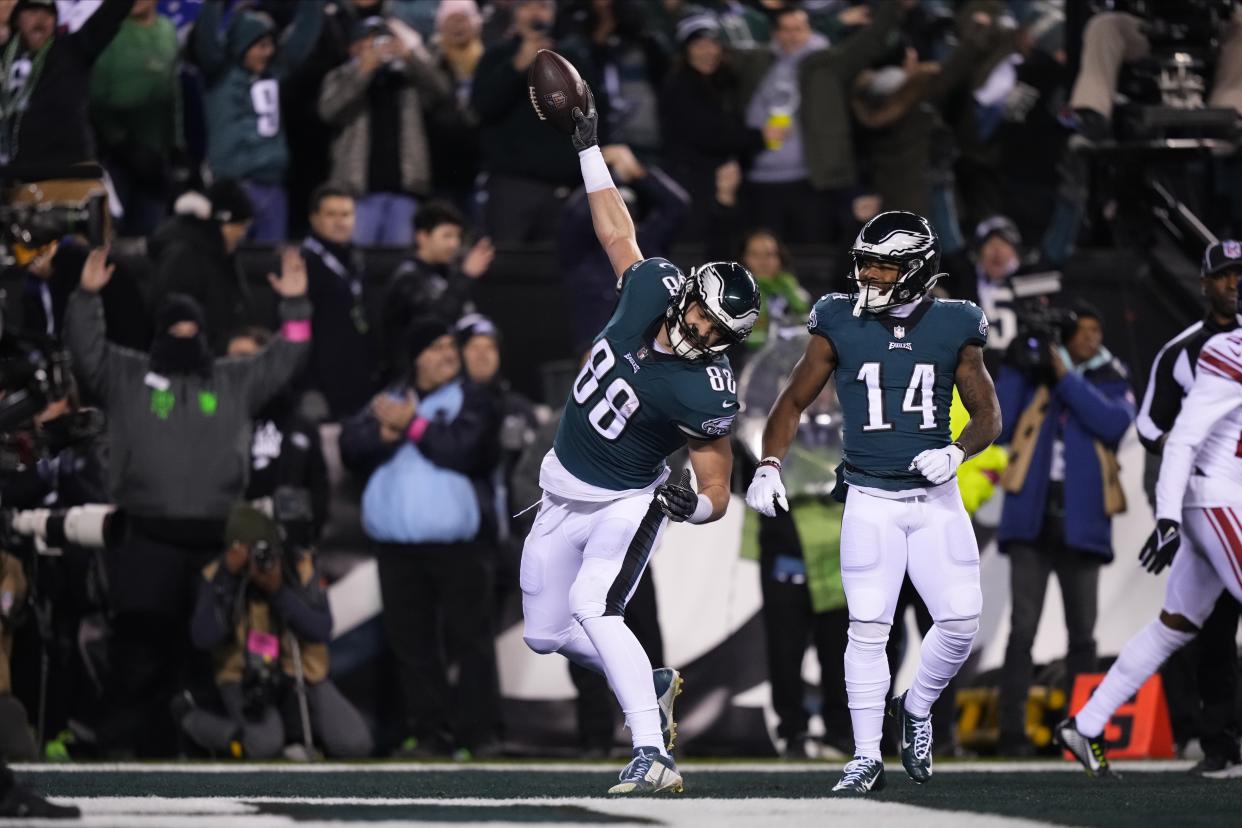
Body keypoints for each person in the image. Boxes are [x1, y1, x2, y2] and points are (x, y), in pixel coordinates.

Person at [518, 82, 761, 795]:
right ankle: (647, 678)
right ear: (686, 294)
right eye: (705, 317)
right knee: (544, 633)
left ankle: (652, 754)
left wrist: (694, 510)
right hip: (559, 487)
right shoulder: (652, 284)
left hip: (625, 502)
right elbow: (616, 231)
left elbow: (716, 488)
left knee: (595, 609)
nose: (705, 333)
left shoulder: (705, 386)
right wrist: (589, 146)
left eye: (721, 333)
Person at [746, 210, 1001, 794]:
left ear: (916, 270)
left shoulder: (957, 323)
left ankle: (916, 705)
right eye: (865, 263)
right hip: (869, 498)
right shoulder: (837, 318)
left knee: (960, 622)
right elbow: (791, 403)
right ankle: (864, 756)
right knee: (867, 628)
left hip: (935, 498)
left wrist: (959, 453)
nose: (869, 276)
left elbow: (988, 413)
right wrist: (768, 463)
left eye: (884, 266)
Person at [63, 245, 310, 756]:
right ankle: (123, 749)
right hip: (146, 540)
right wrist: (86, 297)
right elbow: (84, 351)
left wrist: (296, 305)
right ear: (158, 334)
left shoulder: (231, 378)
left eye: (192, 331)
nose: (184, 339)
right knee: (139, 653)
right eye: (175, 330)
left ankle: (206, 747)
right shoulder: (125, 374)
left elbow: (288, 355)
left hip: (214, 542)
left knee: (209, 653)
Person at [1057, 317, 1242, 779]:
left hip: (1217, 499)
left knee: (1175, 625)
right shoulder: (1224, 349)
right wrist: (1167, 517)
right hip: (1216, 497)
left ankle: (1087, 723)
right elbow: (1174, 436)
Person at [339, 316, 502, 758]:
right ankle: (431, 735)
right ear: (415, 359)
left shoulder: (473, 398)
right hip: (397, 550)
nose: (449, 353)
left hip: (459, 548)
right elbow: (349, 446)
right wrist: (383, 433)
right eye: (436, 347)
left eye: (451, 345)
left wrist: (413, 426)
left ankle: (479, 736)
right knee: (412, 647)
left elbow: (466, 449)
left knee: (470, 643)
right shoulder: (391, 398)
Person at [994, 303, 1135, 756]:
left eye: (1097, 331)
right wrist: (1018, 365)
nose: (1092, 339)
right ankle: (1010, 734)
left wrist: (1065, 378)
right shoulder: (1034, 374)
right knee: (1022, 630)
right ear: (1067, 337)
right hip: (1033, 524)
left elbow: (1114, 424)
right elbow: (1001, 425)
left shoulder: (1110, 375)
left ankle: (1081, 731)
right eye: (1084, 331)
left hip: (1082, 525)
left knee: (1083, 637)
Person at [1135, 240, 1242, 776]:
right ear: (1204, 282)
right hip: (1218, 500)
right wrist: (1191, 456)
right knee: (1215, 629)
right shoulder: (1183, 350)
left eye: (1240, 274)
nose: (1233, 283)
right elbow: (1150, 425)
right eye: (1224, 275)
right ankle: (1220, 741)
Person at [179, 503, 371, 759]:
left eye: (264, 548)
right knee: (263, 747)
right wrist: (228, 577)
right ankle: (193, 720)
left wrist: (279, 591)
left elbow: (321, 630)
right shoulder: (216, 575)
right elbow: (203, 637)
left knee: (354, 744)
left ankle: (301, 735)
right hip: (245, 676)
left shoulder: (298, 567)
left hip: (303, 671)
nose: (258, 558)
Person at [191, 0, 322, 241]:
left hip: (270, 188)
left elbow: (304, 33)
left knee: (269, 267)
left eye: (271, 45)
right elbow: (206, 37)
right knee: (227, 262)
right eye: (261, 45)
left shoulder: (274, 73)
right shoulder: (219, 74)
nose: (268, 51)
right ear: (243, 43)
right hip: (230, 187)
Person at [318, 14, 448, 246]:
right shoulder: (340, 77)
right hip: (357, 191)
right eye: (370, 42)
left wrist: (410, 56)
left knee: (396, 262)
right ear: (354, 48)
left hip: (404, 189)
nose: (377, 48)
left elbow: (441, 92)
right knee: (358, 260)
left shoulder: (407, 79)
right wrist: (363, 73)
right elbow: (329, 111)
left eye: (382, 41)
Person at [0, 0, 133, 172]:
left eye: (48, 14)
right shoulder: (5, 55)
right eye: (31, 13)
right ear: (17, 20)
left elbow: (113, 11)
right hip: (11, 174)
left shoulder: (75, 49)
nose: (40, 20)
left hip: (67, 170)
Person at [88, 0, 182, 236]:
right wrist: (121, 143)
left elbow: (175, 94)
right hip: (114, 157)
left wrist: (178, 146)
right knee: (107, 236)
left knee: (152, 237)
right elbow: (94, 96)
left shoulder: (168, 30)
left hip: (157, 156)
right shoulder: (109, 30)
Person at [149, 180, 260, 355]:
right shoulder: (182, 257)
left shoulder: (220, 253)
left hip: (223, 366)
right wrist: (224, 347)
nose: (242, 234)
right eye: (241, 226)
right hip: (196, 373)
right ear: (224, 222)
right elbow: (176, 329)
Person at [300, 184, 381, 421]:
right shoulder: (304, 263)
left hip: (357, 379)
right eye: (331, 214)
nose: (340, 222)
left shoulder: (356, 258)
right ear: (314, 218)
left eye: (346, 214)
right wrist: (308, 384)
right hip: (321, 383)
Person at [381, 201, 493, 368]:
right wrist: (466, 276)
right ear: (422, 237)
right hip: (411, 377)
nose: (454, 244)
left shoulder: (446, 273)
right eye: (447, 236)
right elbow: (433, 325)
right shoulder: (407, 278)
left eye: (457, 236)